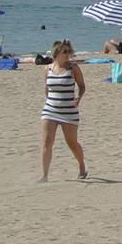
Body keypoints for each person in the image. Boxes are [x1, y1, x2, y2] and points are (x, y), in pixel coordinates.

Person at [38, 40, 87, 182]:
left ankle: (82, 165)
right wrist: (50, 101)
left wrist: (78, 98)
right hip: (50, 109)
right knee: (47, 141)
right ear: (56, 53)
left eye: (68, 51)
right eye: (64, 52)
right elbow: (47, 89)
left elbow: (82, 86)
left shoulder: (73, 68)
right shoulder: (47, 69)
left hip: (69, 112)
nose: (67, 54)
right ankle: (45, 175)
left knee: (71, 142)